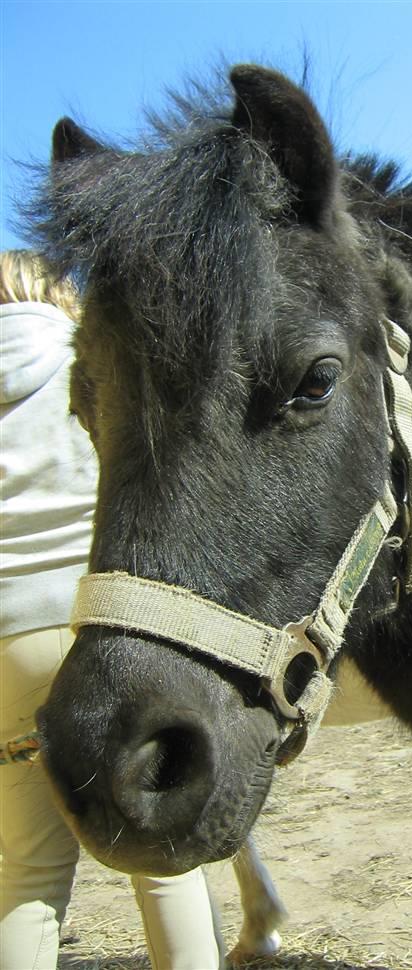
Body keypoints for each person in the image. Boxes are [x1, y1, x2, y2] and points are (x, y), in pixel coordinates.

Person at [0, 250, 225, 970]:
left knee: (26, 874)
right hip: (97, 625)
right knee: (159, 854)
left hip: (2, 643)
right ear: (57, 293)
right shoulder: (97, 362)